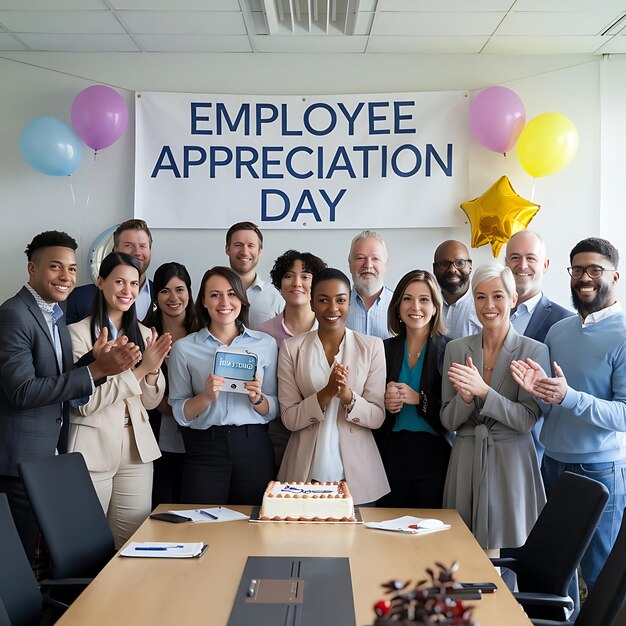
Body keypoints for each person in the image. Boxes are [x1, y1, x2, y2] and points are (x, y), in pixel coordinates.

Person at [0, 231, 141, 563]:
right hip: (19, 462)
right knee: (20, 566)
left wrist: (93, 361)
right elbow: (22, 391)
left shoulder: (55, 315)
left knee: (43, 560)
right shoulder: (13, 314)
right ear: (32, 269)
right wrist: (95, 371)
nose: (66, 277)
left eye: (72, 269)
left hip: (48, 458)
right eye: (55, 267)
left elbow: (56, 379)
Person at [511, 237, 626, 592]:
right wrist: (538, 392)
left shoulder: (623, 333)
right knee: (552, 574)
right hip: (551, 466)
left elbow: (623, 415)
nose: (585, 277)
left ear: (615, 277)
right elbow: (553, 405)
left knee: (599, 576)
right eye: (577, 269)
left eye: (595, 269)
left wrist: (570, 397)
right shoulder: (559, 331)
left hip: (600, 471)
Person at [441, 263, 549, 552]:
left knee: (510, 559)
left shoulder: (534, 350)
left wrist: (484, 392)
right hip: (465, 460)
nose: (488, 305)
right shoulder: (456, 348)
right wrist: (465, 399)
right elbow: (448, 420)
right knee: (461, 555)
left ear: (513, 299)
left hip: (511, 463)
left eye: (498, 296)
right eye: (480, 297)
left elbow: (527, 420)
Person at [68, 252, 171, 548]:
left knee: (133, 541)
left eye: (134, 284)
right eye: (119, 282)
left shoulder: (142, 332)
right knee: (87, 543)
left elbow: (150, 402)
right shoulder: (76, 335)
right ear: (101, 282)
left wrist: (152, 373)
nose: (128, 291)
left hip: (137, 449)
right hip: (92, 447)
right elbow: (85, 403)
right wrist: (142, 370)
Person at [277, 267, 389, 506]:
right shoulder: (291, 349)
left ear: (349, 302)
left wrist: (348, 396)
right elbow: (289, 418)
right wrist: (326, 393)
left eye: (341, 300)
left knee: (359, 544)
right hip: (304, 476)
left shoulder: (372, 347)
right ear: (312, 303)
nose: (333, 308)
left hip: (358, 477)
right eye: (323, 300)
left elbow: (377, 417)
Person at [168, 266, 278, 505]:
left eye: (231, 294)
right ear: (204, 301)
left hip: (254, 447)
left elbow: (274, 409)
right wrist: (206, 397)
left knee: (252, 527)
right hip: (205, 448)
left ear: (241, 299)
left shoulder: (266, 344)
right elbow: (178, 411)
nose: (224, 302)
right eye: (215, 294)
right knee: (200, 526)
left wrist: (257, 399)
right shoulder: (184, 348)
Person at [376, 270, 451, 508]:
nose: (415, 306)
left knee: (429, 531)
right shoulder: (383, 349)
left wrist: (420, 399)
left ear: (436, 307)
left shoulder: (451, 350)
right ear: (398, 306)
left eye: (424, 299)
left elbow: (457, 411)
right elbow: (370, 402)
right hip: (391, 451)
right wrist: (385, 401)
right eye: (407, 298)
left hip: (435, 452)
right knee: (388, 528)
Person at [505, 230, 574, 463]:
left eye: (530, 258)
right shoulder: (491, 314)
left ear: (544, 264)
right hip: (491, 444)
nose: (522, 265)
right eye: (514, 257)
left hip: (536, 449)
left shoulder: (564, 322)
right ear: (506, 263)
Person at [258, 249, 327, 471]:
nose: (297, 283)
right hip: (277, 432)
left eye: (306, 276)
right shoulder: (262, 334)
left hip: (322, 429)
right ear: (279, 282)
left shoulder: (331, 330)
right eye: (289, 276)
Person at [143, 262, 200, 507]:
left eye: (180, 289)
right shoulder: (143, 334)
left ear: (189, 292)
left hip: (198, 436)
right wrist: (157, 403)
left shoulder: (205, 334)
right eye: (165, 290)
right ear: (156, 296)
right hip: (154, 435)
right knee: (161, 503)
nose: (173, 297)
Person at [66, 219, 155, 324]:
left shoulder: (162, 294)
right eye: (128, 245)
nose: (137, 252)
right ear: (115, 249)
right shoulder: (78, 298)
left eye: (143, 246)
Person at [225, 221, 284, 330]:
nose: (245, 252)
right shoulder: (213, 293)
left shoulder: (277, 297)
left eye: (251, 246)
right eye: (238, 245)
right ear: (227, 249)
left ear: (260, 251)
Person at [345, 230, 393, 340]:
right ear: (350, 265)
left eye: (375, 258)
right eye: (360, 258)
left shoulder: (399, 305)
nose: (368, 265)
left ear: (385, 265)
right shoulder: (337, 307)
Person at [433, 240, 481, 339]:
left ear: (470, 266)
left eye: (459, 263)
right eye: (444, 264)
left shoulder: (482, 306)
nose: (452, 269)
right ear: (434, 269)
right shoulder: (425, 305)